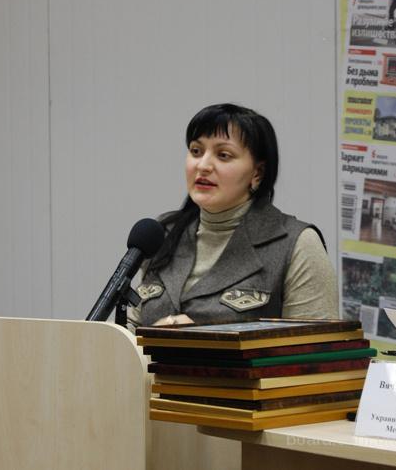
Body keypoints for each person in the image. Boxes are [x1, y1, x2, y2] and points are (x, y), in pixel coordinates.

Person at [127, 103, 338, 329]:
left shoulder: (296, 245)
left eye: (223, 155)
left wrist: (202, 339)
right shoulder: (163, 235)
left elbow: (317, 346)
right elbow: (132, 328)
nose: (203, 165)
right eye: (196, 151)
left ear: (257, 173)